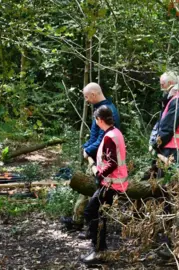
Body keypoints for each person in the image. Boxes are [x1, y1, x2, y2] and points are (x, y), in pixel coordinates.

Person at [63, 83, 120, 237]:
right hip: (95, 160)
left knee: (94, 197)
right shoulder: (99, 109)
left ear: (94, 94)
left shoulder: (108, 111)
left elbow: (103, 139)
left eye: (87, 97)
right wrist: (86, 147)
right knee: (87, 193)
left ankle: (91, 229)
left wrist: (88, 151)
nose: (86, 100)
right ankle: (79, 221)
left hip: (101, 164)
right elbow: (95, 135)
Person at [81, 105, 128, 264]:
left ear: (100, 120)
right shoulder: (115, 133)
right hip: (112, 183)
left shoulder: (109, 136)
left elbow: (113, 163)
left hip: (110, 185)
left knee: (90, 212)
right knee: (99, 215)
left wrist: (99, 173)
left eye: (96, 120)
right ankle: (101, 249)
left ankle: (99, 251)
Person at [150, 71, 179, 169]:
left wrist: (156, 145)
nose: (161, 87)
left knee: (166, 182)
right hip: (175, 147)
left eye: (162, 84)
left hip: (174, 149)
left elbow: (168, 127)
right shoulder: (175, 98)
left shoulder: (177, 100)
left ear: (170, 83)